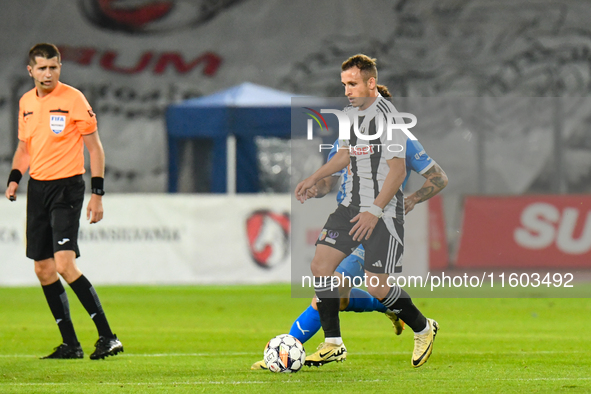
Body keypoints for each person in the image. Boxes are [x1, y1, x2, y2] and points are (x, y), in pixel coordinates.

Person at [251, 86, 448, 370]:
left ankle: (285, 352)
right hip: (349, 221)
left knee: (325, 295)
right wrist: (315, 188)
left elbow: (438, 177)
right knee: (337, 296)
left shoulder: (402, 141)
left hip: (378, 226)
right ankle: (387, 307)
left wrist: (414, 198)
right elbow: (329, 181)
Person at [294, 54, 440, 368]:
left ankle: (423, 327)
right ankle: (333, 343)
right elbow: (340, 163)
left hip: (379, 215)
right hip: (350, 210)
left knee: (368, 287)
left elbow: (406, 173)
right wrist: (314, 179)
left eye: (352, 84)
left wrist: (396, 204)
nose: (346, 91)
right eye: (344, 84)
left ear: (371, 84)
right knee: (322, 269)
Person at [5, 43, 123, 360]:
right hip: (38, 189)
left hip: (67, 188)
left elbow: (95, 149)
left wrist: (97, 194)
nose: (48, 73)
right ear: (30, 70)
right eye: (42, 68)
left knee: (64, 264)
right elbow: (25, 148)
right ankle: (70, 344)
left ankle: (108, 337)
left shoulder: (73, 99)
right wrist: (15, 178)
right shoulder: (26, 102)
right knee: (43, 270)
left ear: (60, 67)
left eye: (53, 67)